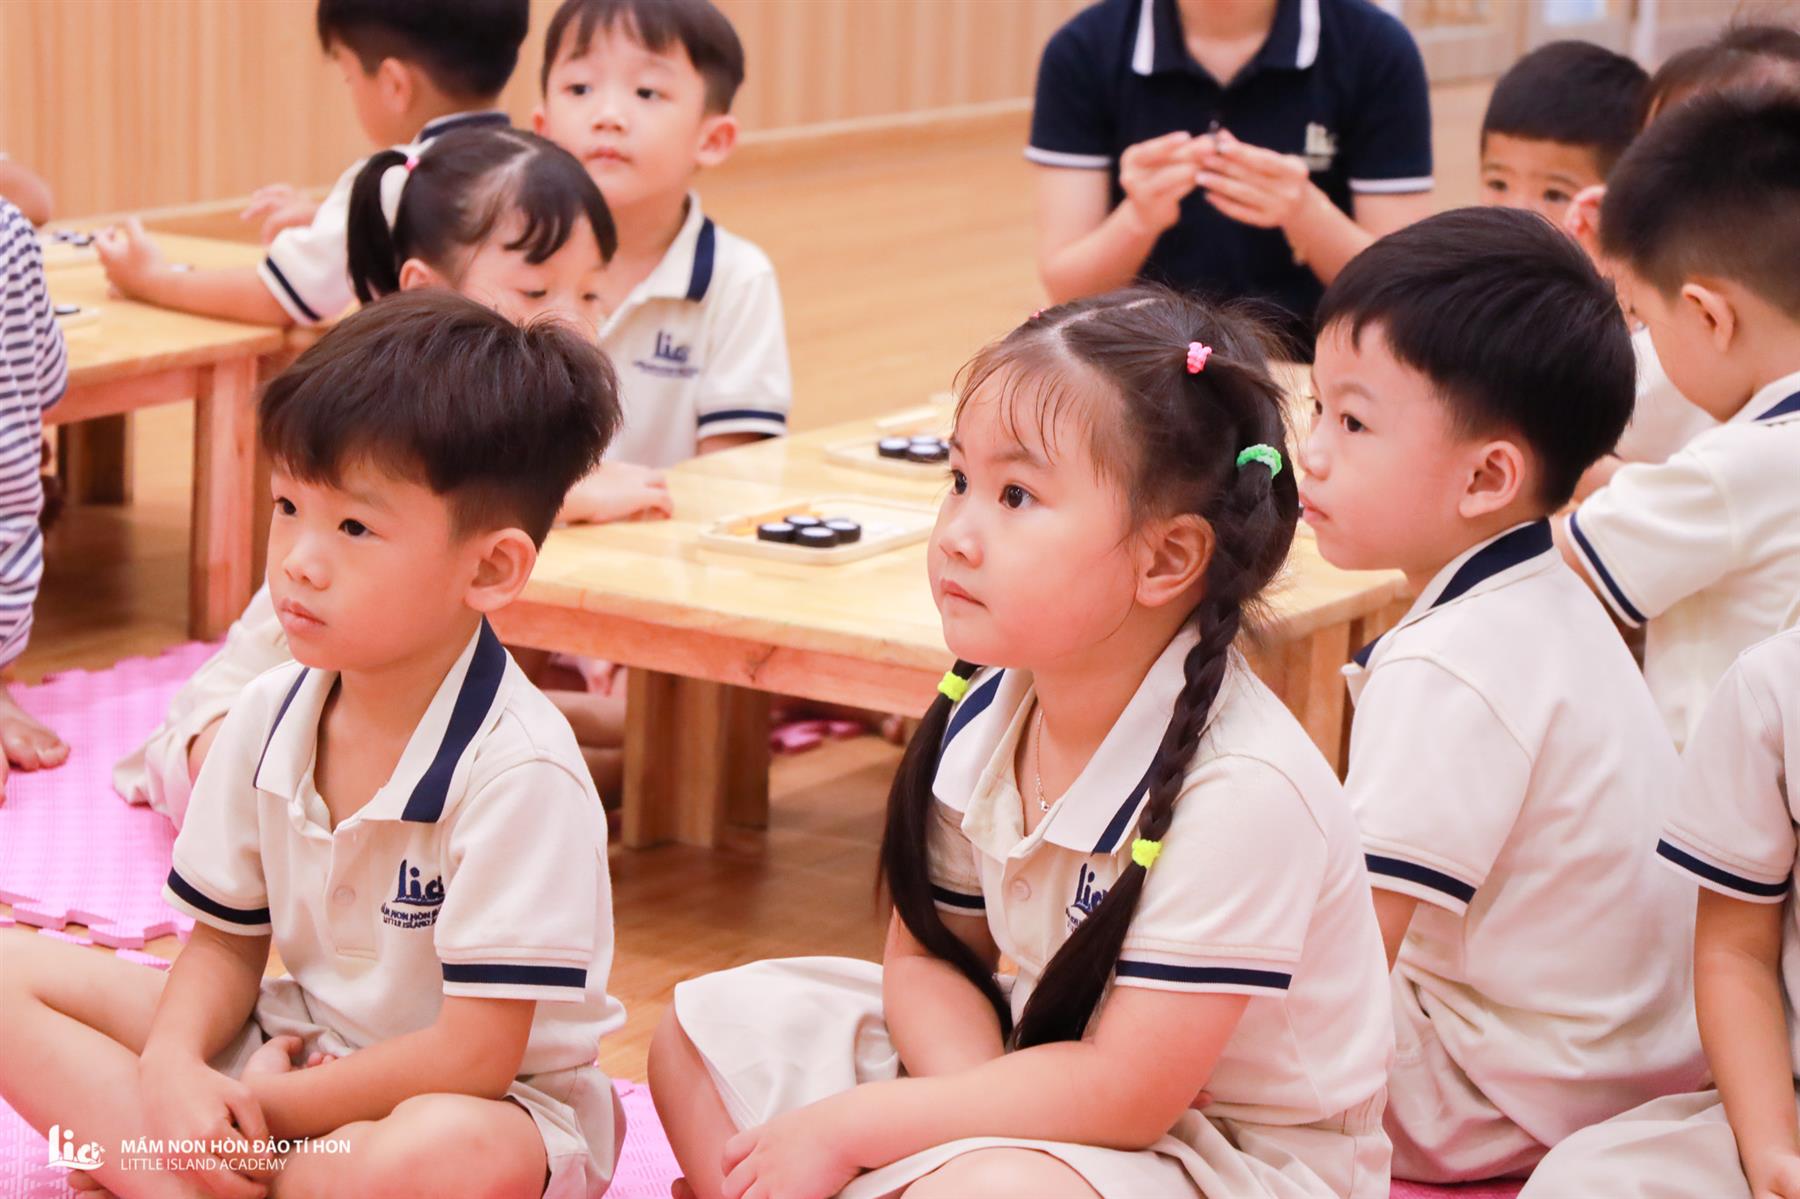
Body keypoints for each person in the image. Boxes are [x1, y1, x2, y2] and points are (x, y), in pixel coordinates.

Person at [650, 287, 1395, 1199]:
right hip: (1037, 1065)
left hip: (1234, 1154)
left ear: (1167, 558)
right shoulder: (991, 702)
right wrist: (959, 1114)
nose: (958, 536)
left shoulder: (1244, 789)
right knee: (700, 1034)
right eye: (958, 480)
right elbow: (931, 957)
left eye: (1016, 495)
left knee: (988, 1189)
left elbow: (1127, 1095)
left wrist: (864, 1128)